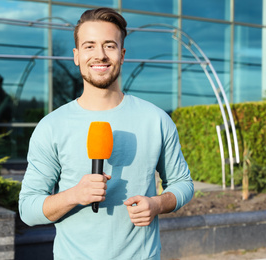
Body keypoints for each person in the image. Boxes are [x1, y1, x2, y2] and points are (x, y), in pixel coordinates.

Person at [19, 7, 194, 260]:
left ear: (122, 55)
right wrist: (74, 195)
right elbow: (28, 209)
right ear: (76, 56)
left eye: (109, 46)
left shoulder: (156, 119)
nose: (99, 55)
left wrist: (157, 204)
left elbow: (182, 184)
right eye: (89, 46)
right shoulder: (51, 126)